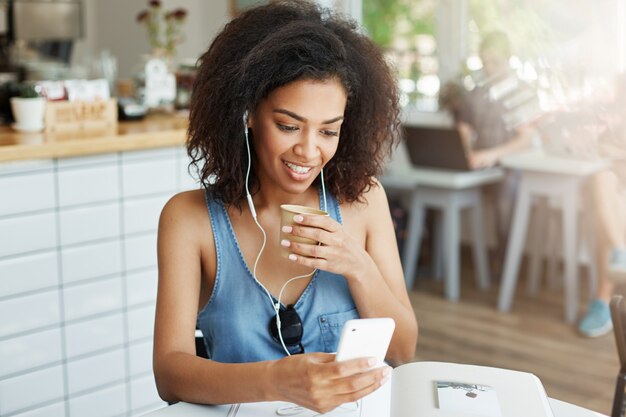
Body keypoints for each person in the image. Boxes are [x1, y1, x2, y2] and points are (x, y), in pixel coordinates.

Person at [152, 1, 418, 414]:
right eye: (289, 126)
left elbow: (403, 351)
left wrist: (357, 265)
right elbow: (169, 377)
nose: (309, 151)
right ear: (247, 113)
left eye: (329, 130)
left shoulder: (364, 201)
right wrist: (278, 380)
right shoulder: (189, 220)